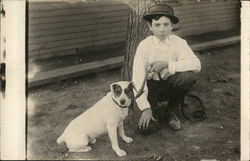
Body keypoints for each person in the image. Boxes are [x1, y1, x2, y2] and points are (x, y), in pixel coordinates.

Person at [132, 4, 201, 133]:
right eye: (157, 25)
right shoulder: (144, 46)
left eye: (166, 24)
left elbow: (196, 65)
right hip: (149, 88)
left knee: (188, 78)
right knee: (144, 129)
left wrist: (167, 64)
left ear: (172, 25)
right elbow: (137, 80)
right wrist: (145, 107)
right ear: (150, 27)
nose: (162, 30)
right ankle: (152, 108)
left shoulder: (179, 42)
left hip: (169, 84)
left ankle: (170, 110)